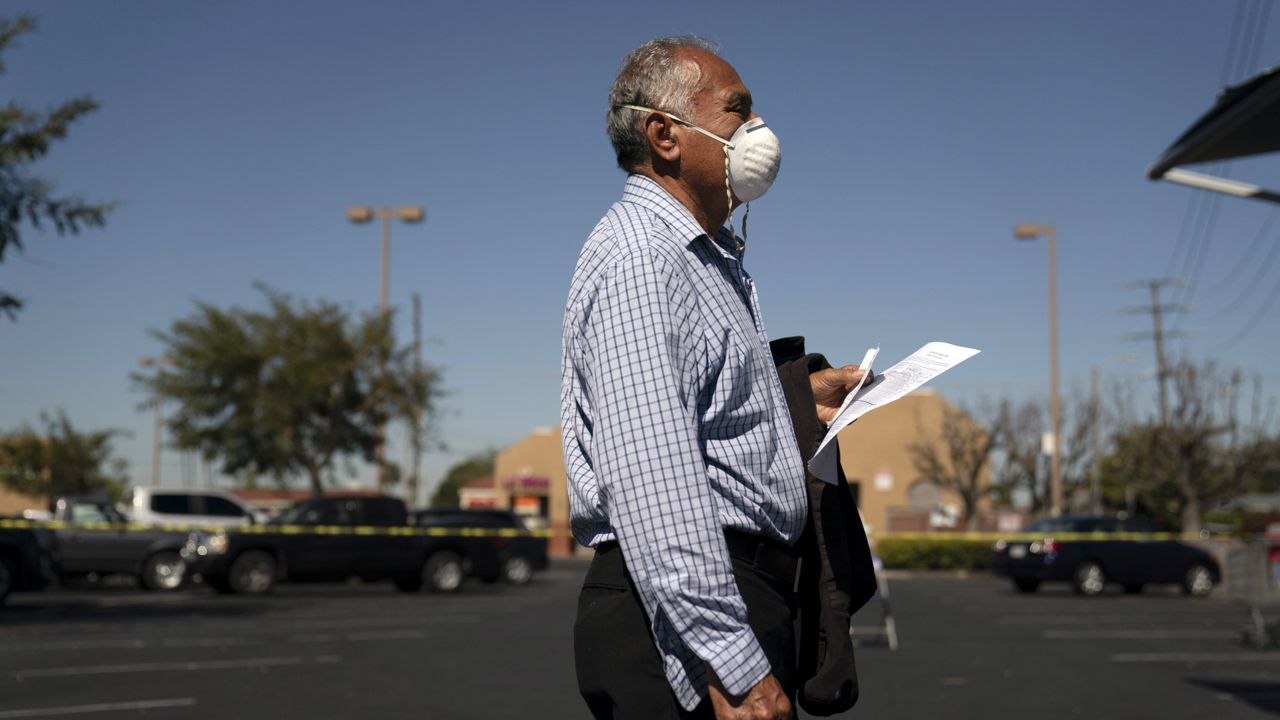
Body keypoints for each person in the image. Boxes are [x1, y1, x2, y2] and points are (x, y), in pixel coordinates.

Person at [560, 36, 873, 720]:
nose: (758, 132)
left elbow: (705, 418)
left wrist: (793, 399)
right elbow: (652, 476)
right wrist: (732, 664)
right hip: (684, 619)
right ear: (665, 134)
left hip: (731, 600)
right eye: (738, 110)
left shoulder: (701, 260)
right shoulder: (644, 258)